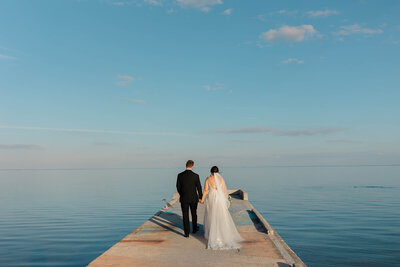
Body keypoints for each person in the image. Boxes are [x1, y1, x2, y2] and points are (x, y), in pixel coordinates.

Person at [199, 166, 243, 249]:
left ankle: (211, 234)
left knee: (211, 215)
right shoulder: (221, 179)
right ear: (218, 172)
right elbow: (224, 191)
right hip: (219, 198)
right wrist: (225, 200)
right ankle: (222, 234)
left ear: (211, 172)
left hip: (212, 197)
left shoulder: (208, 179)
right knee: (221, 215)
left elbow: (205, 190)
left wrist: (202, 199)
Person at [176, 160, 203, 238]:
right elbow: (199, 187)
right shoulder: (196, 176)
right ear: (192, 166)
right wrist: (200, 197)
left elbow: (178, 187)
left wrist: (182, 194)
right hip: (194, 198)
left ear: (185, 165)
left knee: (185, 215)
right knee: (194, 213)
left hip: (184, 198)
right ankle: (194, 229)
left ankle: (186, 233)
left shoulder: (180, 175)